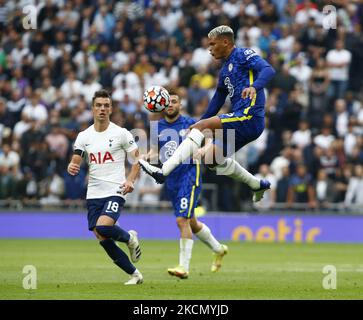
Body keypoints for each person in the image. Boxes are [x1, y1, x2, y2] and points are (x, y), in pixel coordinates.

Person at [139, 25, 276, 202]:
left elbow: (269, 70)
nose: (209, 49)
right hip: (242, 122)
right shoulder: (225, 70)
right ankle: (256, 184)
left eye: (212, 44)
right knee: (211, 159)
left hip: (250, 116)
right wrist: (200, 122)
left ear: (225, 42)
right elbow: (218, 99)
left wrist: (254, 87)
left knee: (202, 128)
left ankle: (163, 171)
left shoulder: (243, 54)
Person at [146, 89, 228, 279]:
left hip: (190, 173)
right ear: (162, 104)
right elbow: (155, 152)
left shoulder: (191, 123)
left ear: (180, 104)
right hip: (171, 178)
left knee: (181, 220)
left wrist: (205, 149)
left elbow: (209, 137)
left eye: (174, 101)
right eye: (168, 102)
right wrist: (146, 157)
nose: (171, 105)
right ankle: (219, 249)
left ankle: (183, 267)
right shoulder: (157, 127)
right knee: (191, 221)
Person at [67, 89, 143, 285]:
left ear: (111, 109)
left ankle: (129, 238)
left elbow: (137, 160)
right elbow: (76, 159)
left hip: (116, 190)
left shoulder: (121, 133)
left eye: (106, 105)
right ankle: (135, 274)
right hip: (93, 193)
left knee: (103, 226)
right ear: (93, 109)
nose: (102, 109)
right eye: (98, 105)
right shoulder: (84, 136)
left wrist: (130, 180)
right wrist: (72, 165)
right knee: (101, 236)